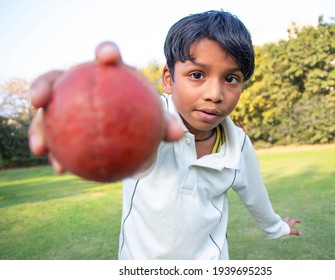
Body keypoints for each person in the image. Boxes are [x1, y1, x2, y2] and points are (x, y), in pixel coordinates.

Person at [29, 10, 300, 260]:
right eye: (197, 74)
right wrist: (70, 102)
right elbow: (118, 113)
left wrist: (278, 228)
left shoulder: (238, 143)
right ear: (169, 79)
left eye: (231, 79)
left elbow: (255, 196)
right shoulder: (151, 115)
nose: (215, 94)